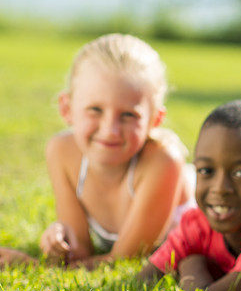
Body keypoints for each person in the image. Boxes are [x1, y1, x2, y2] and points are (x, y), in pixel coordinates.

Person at [0, 33, 193, 269]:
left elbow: (124, 260)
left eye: (128, 115)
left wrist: (31, 266)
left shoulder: (164, 161)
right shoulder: (62, 152)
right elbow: (80, 251)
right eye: (95, 109)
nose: (110, 130)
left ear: (155, 119)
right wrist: (60, 241)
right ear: (67, 108)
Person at [137, 100, 241, 291]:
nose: (220, 188)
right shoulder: (197, 222)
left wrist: (191, 267)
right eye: (206, 171)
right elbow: (143, 280)